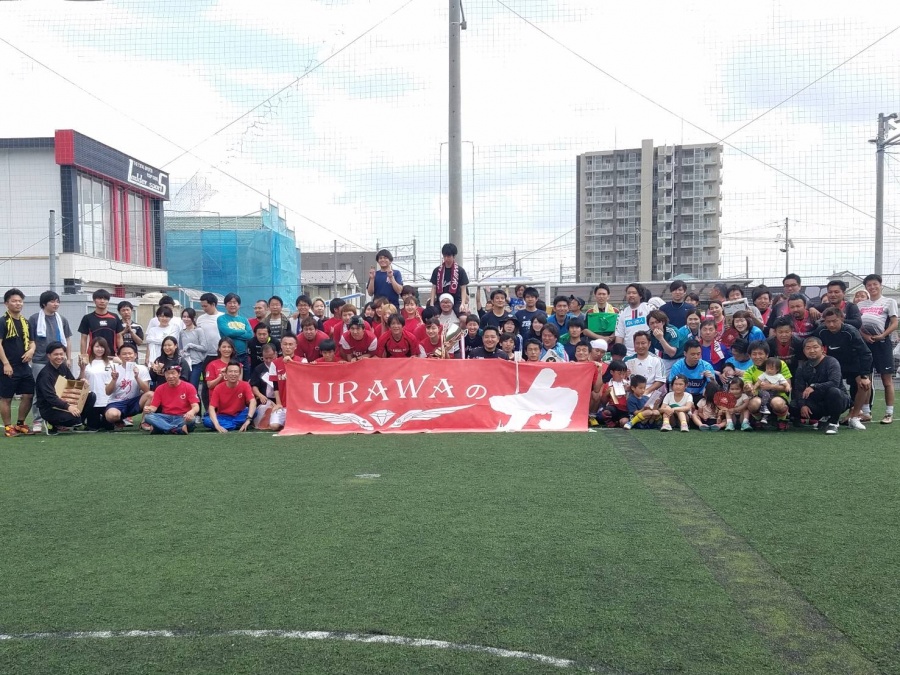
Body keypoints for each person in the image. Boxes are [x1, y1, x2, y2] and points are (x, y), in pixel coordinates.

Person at [814, 306, 872, 430]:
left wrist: (864, 375)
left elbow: (866, 353)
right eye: (828, 322)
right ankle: (827, 414)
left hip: (852, 363)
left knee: (863, 384)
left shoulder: (851, 331)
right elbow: (814, 347)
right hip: (833, 364)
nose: (831, 324)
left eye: (834, 321)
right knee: (823, 384)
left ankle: (854, 417)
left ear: (842, 319)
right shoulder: (820, 331)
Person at [28, 290, 73, 433]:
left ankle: (57, 420)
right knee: (39, 391)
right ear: (44, 303)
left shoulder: (62, 319)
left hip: (59, 360)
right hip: (39, 360)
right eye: (52, 301)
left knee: (62, 390)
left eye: (57, 301)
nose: (56, 304)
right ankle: (37, 420)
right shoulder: (34, 319)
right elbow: (31, 340)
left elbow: (67, 340)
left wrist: (68, 358)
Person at [857, 274, 898, 424]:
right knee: (865, 379)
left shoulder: (889, 301)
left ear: (880, 285)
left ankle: (889, 413)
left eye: (875, 284)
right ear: (866, 288)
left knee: (887, 380)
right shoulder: (861, 305)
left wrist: (882, 335)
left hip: (882, 344)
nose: (872, 287)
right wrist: (865, 336)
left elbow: (894, 323)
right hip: (865, 344)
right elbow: (857, 325)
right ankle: (866, 413)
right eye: (869, 285)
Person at [790, 337, 850, 435]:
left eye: (815, 347)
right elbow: (798, 389)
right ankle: (822, 418)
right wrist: (803, 405)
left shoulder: (831, 362)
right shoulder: (803, 367)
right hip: (818, 401)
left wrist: (814, 386)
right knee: (793, 405)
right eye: (808, 348)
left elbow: (834, 382)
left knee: (834, 391)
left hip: (837, 399)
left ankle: (833, 423)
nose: (812, 350)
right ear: (804, 351)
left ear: (822, 349)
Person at [34, 341, 97, 434]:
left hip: (65, 401)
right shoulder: (45, 374)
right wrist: (68, 407)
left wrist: (82, 375)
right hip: (50, 408)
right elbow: (50, 398)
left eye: (61, 354)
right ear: (49, 356)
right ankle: (51, 422)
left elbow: (72, 384)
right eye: (56, 354)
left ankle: (78, 422)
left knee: (91, 396)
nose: (59, 357)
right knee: (73, 418)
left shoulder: (63, 367)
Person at [1, 288, 36, 436]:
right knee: (6, 398)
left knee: (28, 394)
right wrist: (6, 363)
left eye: (20, 301)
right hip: (8, 366)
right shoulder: (2, 322)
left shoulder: (25, 322)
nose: (18, 303)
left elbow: (32, 342)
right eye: (14, 301)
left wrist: (31, 351)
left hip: (24, 366)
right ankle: (8, 427)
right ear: (6, 303)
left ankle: (21, 423)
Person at [742, 341, 792, 430]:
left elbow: (788, 387)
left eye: (760, 354)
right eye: (754, 354)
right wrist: (748, 389)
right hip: (761, 398)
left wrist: (771, 387)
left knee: (777, 403)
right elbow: (749, 390)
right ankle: (759, 420)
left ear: (767, 355)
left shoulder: (779, 364)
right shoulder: (749, 371)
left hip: (778, 396)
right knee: (753, 404)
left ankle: (782, 419)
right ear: (750, 356)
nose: (757, 357)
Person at [103, 343, 152, 429]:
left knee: (151, 394)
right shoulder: (114, 370)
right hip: (116, 402)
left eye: (130, 353)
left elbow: (146, 390)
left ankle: (144, 422)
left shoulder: (142, 369)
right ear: (119, 356)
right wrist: (114, 379)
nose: (127, 356)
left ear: (135, 355)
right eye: (124, 354)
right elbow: (107, 392)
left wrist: (137, 377)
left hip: (134, 401)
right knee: (112, 415)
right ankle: (119, 420)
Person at [142, 364, 200, 434]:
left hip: (182, 416)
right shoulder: (160, 388)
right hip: (166, 417)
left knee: (191, 419)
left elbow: (196, 406)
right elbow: (153, 407)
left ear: (179, 374)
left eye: (173, 373)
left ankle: (161, 428)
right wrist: (149, 409)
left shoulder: (189, 387)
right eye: (167, 374)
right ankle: (174, 429)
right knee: (148, 417)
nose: (170, 376)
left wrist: (191, 412)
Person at [203, 362, 255, 433]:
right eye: (230, 371)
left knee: (254, 411)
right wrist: (217, 425)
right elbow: (211, 407)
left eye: (236, 372)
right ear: (225, 374)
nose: (233, 374)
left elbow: (252, 401)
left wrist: (248, 420)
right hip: (223, 416)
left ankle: (229, 425)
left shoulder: (245, 385)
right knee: (206, 421)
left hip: (239, 414)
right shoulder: (218, 387)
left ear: (239, 374)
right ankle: (236, 425)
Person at [81, 337, 116, 431]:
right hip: (93, 401)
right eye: (97, 346)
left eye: (102, 347)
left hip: (107, 400)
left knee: (108, 427)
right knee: (93, 427)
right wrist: (82, 369)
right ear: (92, 347)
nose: (100, 349)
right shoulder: (87, 363)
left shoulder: (111, 363)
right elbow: (81, 379)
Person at [217, 293, 254, 378]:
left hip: (244, 355)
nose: (232, 305)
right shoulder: (221, 319)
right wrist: (243, 331)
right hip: (229, 355)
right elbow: (228, 333)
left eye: (235, 302)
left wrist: (233, 334)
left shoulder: (244, 319)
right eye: (230, 302)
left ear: (239, 305)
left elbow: (250, 335)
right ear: (225, 305)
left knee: (246, 379)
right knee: (231, 379)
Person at [79, 288, 124, 357]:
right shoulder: (87, 318)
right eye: (99, 298)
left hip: (111, 355)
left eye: (105, 299)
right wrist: (83, 356)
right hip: (93, 356)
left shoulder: (115, 317)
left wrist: (121, 354)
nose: (102, 301)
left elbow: (119, 337)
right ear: (94, 300)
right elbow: (83, 339)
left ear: (108, 301)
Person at [625, 331, 666, 403]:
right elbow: (621, 378)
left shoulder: (657, 360)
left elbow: (660, 380)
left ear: (649, 344)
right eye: (637, 343)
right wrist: (625, 376)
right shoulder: (627, 360)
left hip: (650, 393)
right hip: (632, 393)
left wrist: (646, 391)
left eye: (643, 343)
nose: (640, 346)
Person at [429, 243, 469, 314]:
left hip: (456, 301)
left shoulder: (460, 271)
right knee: (430, 315)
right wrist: (432, 304)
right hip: (440, 301)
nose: (446, 259)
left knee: (463, 318)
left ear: (454, 256)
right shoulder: (437, 271)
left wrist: (463, 304)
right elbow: (434, 288)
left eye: (449, 256)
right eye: (444, 256)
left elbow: (463, 288)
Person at [270, 334, 299, 431]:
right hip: (283, 405)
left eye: (290, 344)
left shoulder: (302, 361)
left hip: (298, 405)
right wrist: (278, 403)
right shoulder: (274, 363)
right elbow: (275, 386)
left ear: (295, 346)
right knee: (274, 426)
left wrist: (291, 363)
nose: (288, 347)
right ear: (281, 345)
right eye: (285, 344)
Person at [614, 283, 650, 356]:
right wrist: (618, 355)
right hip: (629, 355)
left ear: (640, 295)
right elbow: (619, 336)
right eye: (628, 293)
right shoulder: (622, 313)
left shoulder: (649, 308)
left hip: (649, 353)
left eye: (634, 293)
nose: (631, 295)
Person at [196, 292, 223, 389]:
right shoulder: (200, 319)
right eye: (202, 306)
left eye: (205, 306)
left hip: (221, 354)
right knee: (207, 381)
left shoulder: (222, 317)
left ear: (213, 304)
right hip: (205, 356)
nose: (203, 308)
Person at [179, 308, 208, 392]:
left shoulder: (199, 330)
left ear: (193, 318)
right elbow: (180, 348)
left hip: (196, 363)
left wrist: (190, 345)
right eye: (184, 316)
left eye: (188, 317)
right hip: (185, 363)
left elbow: (204, 347)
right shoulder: (182, 332)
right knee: (185, 388)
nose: (186, 319)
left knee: (193, 387)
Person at [647, 310, 684, 376]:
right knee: (661, 376)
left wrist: (661, 338)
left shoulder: (672, 331)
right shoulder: (649, 335)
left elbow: (672, 353)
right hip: (667, 358)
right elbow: (651, 355)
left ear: (663, 322)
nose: (655, 325)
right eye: (652, 323)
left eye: (657, 322)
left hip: (681, 356)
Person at [597, 360, 630, 427]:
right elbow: (603, 402)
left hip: (624, 410)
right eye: (619, 374)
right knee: (606, 413)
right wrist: (607, 393)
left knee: (624, 422)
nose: (621, 376)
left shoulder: (627, 384)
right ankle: (610, 422)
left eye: (623, 374)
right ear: (612, 372)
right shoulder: (607, 384)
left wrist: (629, 390)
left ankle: (618, 422)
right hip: (613, 409)